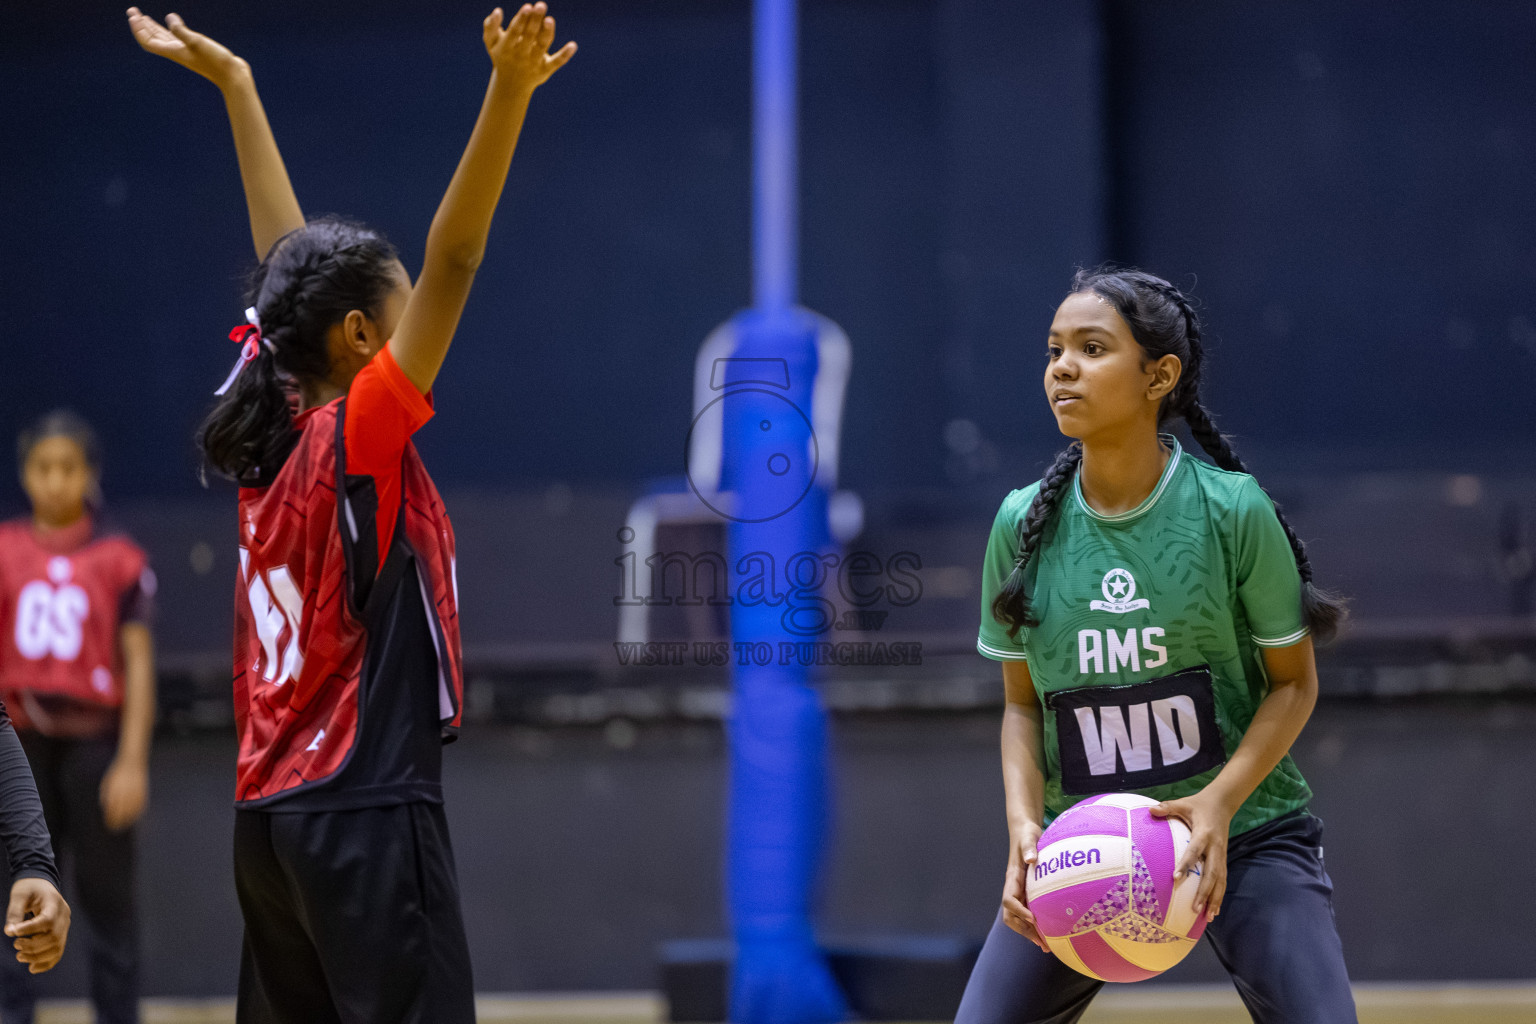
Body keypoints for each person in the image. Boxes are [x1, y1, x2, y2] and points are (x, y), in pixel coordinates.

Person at [127, 6, 575, 1022]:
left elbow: (287, 269)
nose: (424, 312)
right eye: (402, 306)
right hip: (365, 812)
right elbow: (456, 257)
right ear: (365, 334)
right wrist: (508, 94)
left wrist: (241, 87)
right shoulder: (354, 438)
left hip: (268, 825)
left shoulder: (270, 431)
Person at [957, 268, 1356, 1024]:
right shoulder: (1018, 526)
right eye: (1053, 351)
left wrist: (1217, 803)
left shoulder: (1231, 512)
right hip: (1088, 845)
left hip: (1243, 831)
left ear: (1159, 375)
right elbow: (1020, 705)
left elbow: (1294, 686)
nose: (1062, 368)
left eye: (1092, 348)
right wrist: (1023, 827)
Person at [0, 410, 149, 1024]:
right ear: (25, 474)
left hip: (95, 746)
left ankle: (117, 1014)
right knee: (19, 888)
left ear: (88, 474)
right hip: (22, 746)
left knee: (108, 900)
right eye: (43, 468)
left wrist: (133, 761)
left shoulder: (120, 559)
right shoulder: (5, 550)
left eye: (69, 468)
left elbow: (138, 663)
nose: (56, 480)